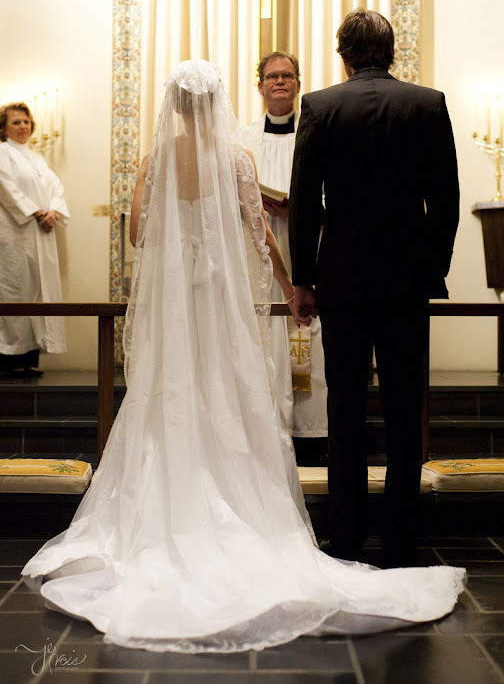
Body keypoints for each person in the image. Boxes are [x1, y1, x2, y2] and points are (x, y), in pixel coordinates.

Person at [23, 61, 465, 653]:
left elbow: (139, 235)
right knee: (226, 387)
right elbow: (260, 235)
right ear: (218, 102)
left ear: (175, 107)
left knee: (172, 390)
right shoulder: (236, 159)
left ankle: (168, 506)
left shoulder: (154, 160)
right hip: (219, 296)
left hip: (178, 301)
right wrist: (291, 285)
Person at [289, 9, 460, 568]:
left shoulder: (320, 106)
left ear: (343, 54)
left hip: (341, 279)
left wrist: (304, 278)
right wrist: (431, 267)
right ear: (391, 52)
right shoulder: (426, 104)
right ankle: (400, 540)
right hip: (406, 281)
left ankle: (346, 537)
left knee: (345, 409)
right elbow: (447, 201)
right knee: (404, 409)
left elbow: (305, 202)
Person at [236, 52, 328, 447]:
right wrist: (256, 202)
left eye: (287, 76)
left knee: (310, 330)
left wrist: (304, 206)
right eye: (272, 76)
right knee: (264, 331)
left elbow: (334, 188)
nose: (279, 82)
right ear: (259, 86)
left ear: (298, 84)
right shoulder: (242, 139)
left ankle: (311, 430)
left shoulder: (318, 133)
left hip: (307, 242)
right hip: (259, 247)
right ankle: (269, 430)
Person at [0, 102, 69, 377]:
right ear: (3, 128)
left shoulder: (37, 158)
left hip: (40, 233)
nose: (23, 126)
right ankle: (10, 361)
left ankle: (28, 360)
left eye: (26, 122)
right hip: (14, 235)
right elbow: (6, 186)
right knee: (15, 291)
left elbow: (56, 188)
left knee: (37, 292)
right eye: (16, 122)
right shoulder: (3, 152)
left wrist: (53, 211)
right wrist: (36, 212)